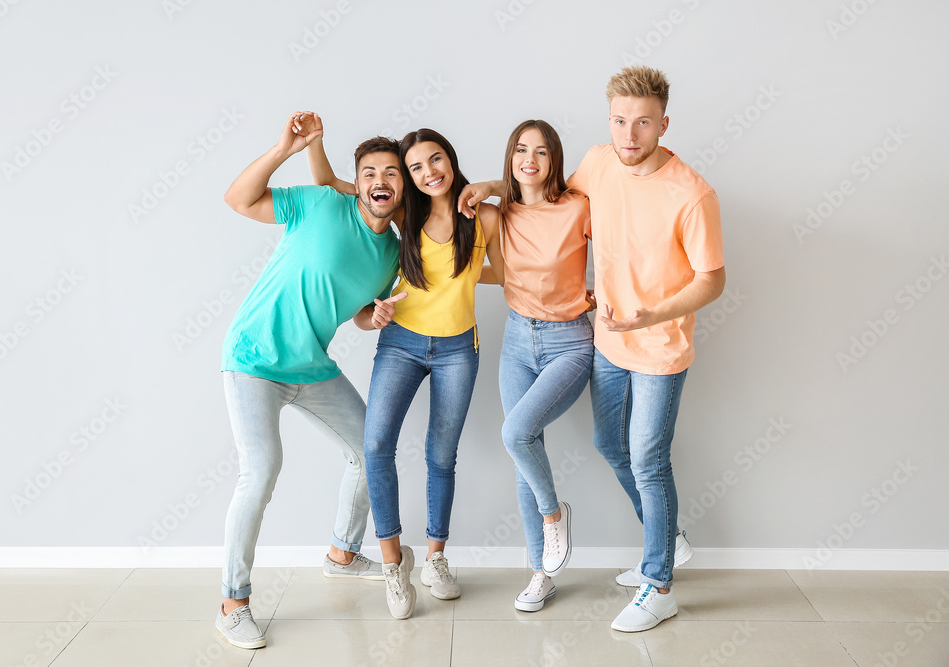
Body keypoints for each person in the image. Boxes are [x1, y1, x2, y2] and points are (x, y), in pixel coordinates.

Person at [460, 66, 724, 632]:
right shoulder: (601, 162)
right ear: (610, 120)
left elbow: (712, 279)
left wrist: (654, 312)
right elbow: (542, 189)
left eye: (643, 123)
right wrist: (487, 185)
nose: (629, 135)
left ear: (663, 124)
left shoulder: (693, 193)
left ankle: (659, 584)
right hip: (605, 340)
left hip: (659, 348)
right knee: (611, 445)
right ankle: (666, 537)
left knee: (649, 461)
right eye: (620, 121)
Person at [216, 111, 406, 649]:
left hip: (311, 365)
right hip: (254, 357)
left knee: (372, 449)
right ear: (357, 179)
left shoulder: (393, 251)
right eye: (369, 172)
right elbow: (239, 199)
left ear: (401, 185)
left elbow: (360, 313)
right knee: (261, 470)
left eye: (391, 174)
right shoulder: (322, 203)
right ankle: (233, 602)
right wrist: (285, 149)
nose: (379, 182)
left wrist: (377, 317)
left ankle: (343, 554)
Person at [310, 125, 503, 620]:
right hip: (401, 344)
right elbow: (332, 184)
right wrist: (313, 143)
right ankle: (394, 565)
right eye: (415, 167)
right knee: (375, 445)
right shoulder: (403, 210)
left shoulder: (483, 214)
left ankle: (436, 560)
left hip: (460, 348)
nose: (427, 172)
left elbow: (501, 272)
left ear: (450, 159)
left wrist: (461, 267)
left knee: (442, 454)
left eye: (434, 160)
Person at [479, 120, 593, 612]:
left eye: (541, 152)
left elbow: (622, 252)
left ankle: (553, 516)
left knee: (515, 433)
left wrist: (606, 296)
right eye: (521, 150)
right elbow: (491, 271)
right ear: (510, 157)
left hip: (569, 342)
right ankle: (541, 574)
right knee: (526, 453)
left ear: (555, 160)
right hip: (516, 341)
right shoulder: (497, 212)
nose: (530, 159)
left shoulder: (578, 207)